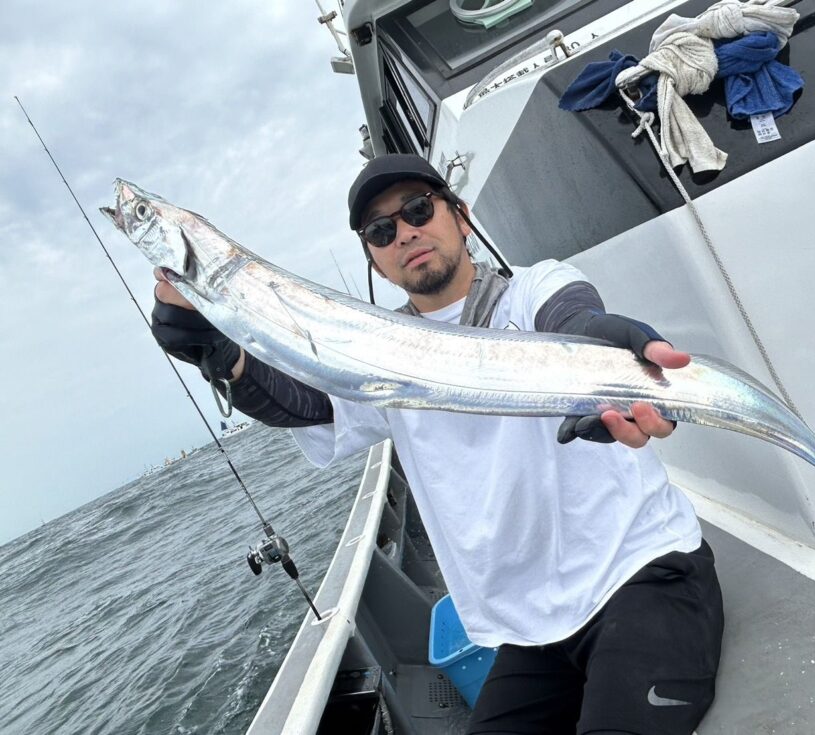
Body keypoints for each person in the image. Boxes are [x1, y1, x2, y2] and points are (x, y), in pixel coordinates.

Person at [152, 154, 724, 735]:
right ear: (373, 255)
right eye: (381, 230)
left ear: (460, 215)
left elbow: (573, 318)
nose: (405, 232)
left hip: (642, 577)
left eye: (418, 209)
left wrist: (603, 362)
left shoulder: (533, 289)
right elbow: (304, 402)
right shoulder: (383, 354)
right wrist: (219, 355)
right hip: (529, 635)